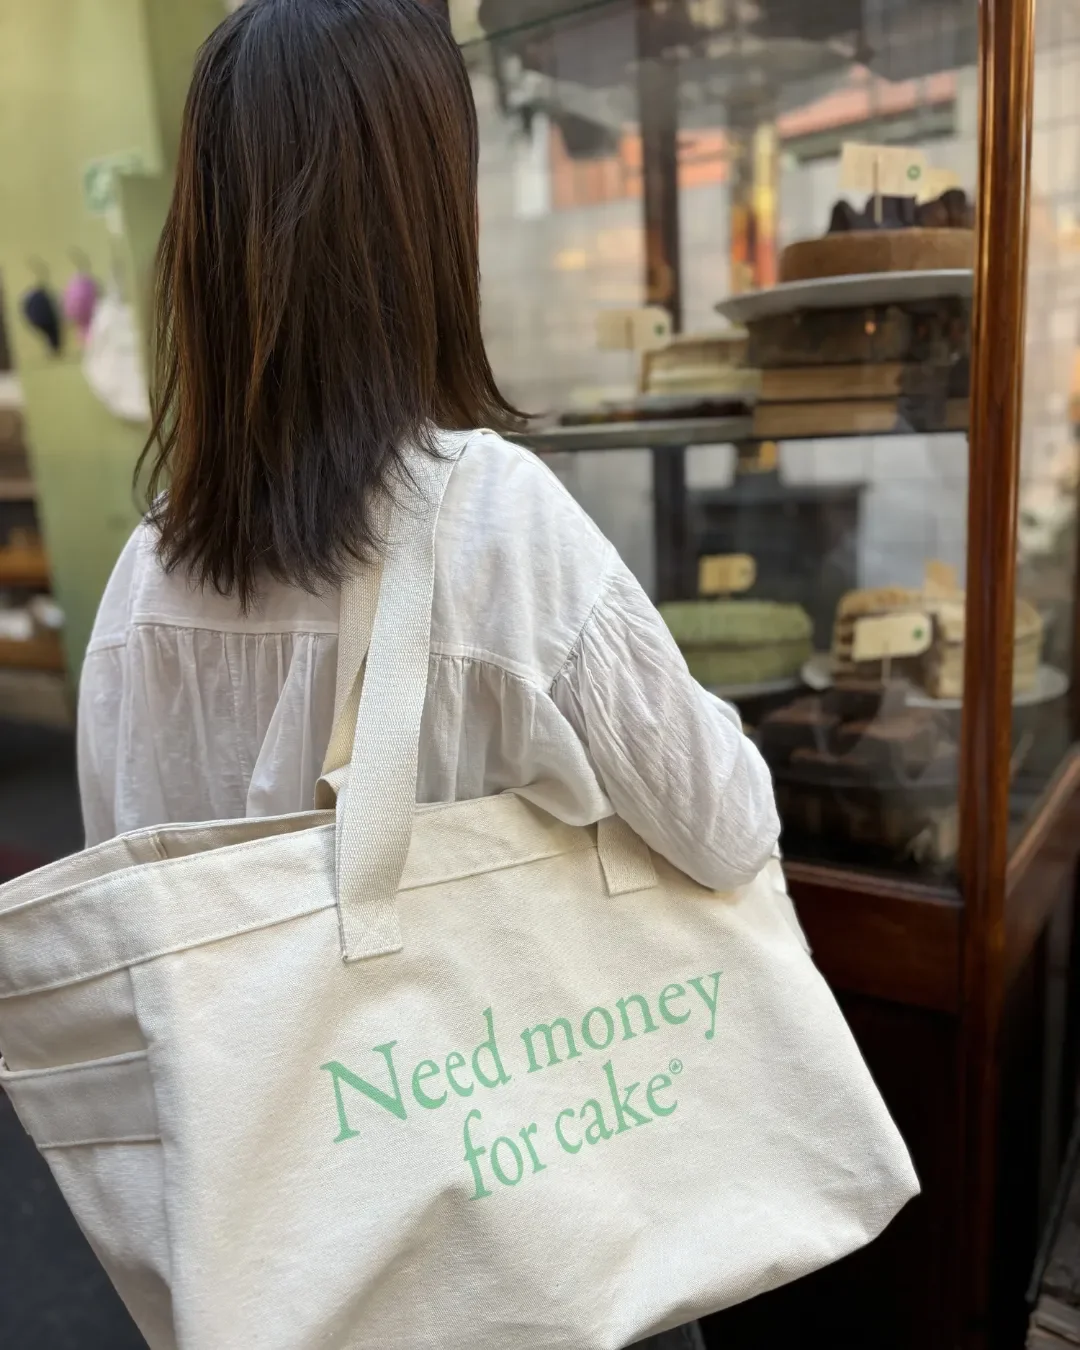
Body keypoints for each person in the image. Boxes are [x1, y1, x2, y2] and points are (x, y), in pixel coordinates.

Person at [76, 2, 779, 1346]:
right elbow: (727, 824)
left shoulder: (141, 583)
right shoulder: (498, 518)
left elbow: (145, 931)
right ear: (422, 221)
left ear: (209, 243)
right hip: (544, 1243)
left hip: (282, 1258)